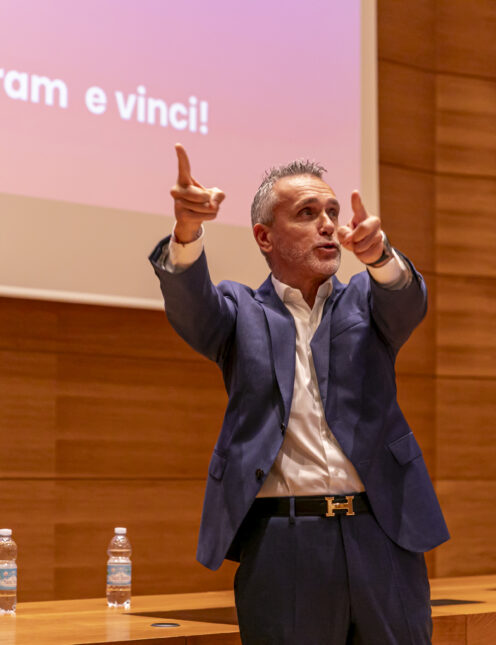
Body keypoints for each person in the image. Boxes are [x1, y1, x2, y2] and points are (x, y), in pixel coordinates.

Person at [149, 144, 449, 644]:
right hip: (284, 543)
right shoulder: (240, 311)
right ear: (264, 237)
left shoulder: (366, 301)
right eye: (307, 214)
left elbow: (407, 301)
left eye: (332, 211)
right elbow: (191, 306)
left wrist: (381, 256)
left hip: (382, 533)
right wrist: (186, 232)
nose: (328, 224)